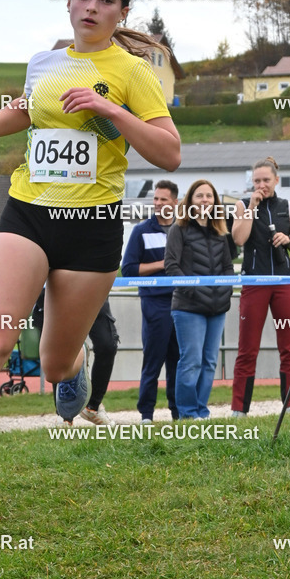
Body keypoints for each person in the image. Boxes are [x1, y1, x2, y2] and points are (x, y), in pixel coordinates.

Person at [0, 0, 180, 521]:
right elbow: (25, 110)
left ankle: (74, 364)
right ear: (68, 0)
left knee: (56, 367)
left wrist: (111, 109)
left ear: (121, 10)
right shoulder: (45, 63)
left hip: (92, 230)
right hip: (28, 214)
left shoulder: (134, 72)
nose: (90, 5)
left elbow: (169, 152)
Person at [231, 156, 290, 416]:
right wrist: (252, 205)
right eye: (257, 180)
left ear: (276, 180)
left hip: (284, 282)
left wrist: (287, 239)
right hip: (254, 282)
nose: (261, 184)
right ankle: (239, 409)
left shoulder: (288, 206)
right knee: (247, 348)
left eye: (266, 180)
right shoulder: (242, 205)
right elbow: (239, 239)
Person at [164, 179, 234, 420]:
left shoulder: (220, 233)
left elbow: (228, 268)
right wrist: (193, 290)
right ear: (190, 200)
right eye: (200, 196)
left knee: (210, 362)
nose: (205, 200)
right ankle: (186, 414)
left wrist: (225, 292)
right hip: (188, 307)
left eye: (209, 196)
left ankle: (201, 412)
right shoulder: (179, 229)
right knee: (191, 361)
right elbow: (171, 266)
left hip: (217, 308)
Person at [121, 179, 180, 422]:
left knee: (178, 360)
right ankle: (146, 414)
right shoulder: (141, 230)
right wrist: (161, 264)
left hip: (183, 302)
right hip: (154, 303)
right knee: (153, 359)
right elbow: (128, 269)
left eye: (163, 199)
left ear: (175, 202)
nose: (157, 203)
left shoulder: (184, 230)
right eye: (155, 199)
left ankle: (178, 412)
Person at [33, 289, 120, 425]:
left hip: (93, 288)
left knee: (107, 345)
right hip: (57, 289)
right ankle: (64, 415)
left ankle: (93, 407)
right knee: (60, 346)